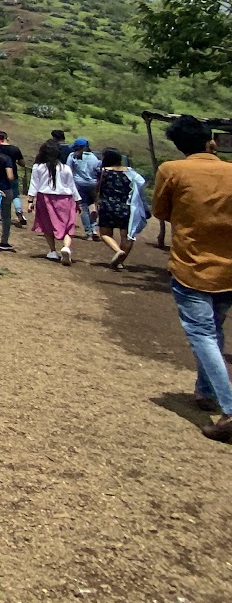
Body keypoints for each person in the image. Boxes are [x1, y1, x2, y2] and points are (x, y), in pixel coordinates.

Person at [151, 115, 232, 442]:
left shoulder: (172, 170)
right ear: (211, 142)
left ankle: (229, 408)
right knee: (215, 329)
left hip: (191, 265)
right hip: (229, 268)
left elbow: (160, 211)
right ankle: (205, 390)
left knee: (201, 333)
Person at [30, 138, 81, 265]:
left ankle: (52, 251)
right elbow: (72, 186)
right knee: (68, 224)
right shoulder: (65, 168)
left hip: (45, 198)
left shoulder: (38, 167)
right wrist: (78, 201)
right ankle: (66, 247)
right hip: (65, 198)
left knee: (46, 224)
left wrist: (30, 201)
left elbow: (34, 185)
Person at [94, 148, 147, 270]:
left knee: (105, 234)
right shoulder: (130, 172)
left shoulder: (103, 172)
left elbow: (97, 189)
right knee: (127, 236)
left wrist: (95, 205)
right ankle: (120, 262)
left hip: (107, 206)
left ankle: (118, 251)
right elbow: (141, 184)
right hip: (126, 207)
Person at [67, 137, 102, 240]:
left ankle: (89, 232)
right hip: (93, 184)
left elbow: (68, 170)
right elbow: (99, 171)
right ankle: (94, 228)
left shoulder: (72, 156)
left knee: (83, 207)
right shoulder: (95, 157)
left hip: (79, 184)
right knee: (93, 205)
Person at [0, 129, 28, 227]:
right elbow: (22, 163)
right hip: (13, 175)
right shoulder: (15, 149)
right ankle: (19, 211)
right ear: (6, 138)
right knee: (15, 195)